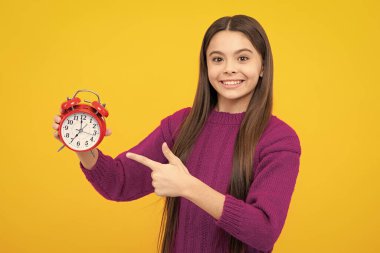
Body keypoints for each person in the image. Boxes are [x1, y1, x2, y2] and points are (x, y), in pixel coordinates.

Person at [52, 14, 301, 253]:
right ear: (206, 66)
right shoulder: (181, 124)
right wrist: (83, 146)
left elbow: (264, 231)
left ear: (262, 66)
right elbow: (120, 183)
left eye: (243, 58)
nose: (229, 69)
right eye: (217, 59)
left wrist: (189, 187)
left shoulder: (279, 139)